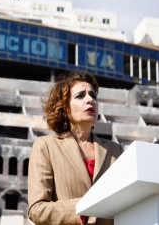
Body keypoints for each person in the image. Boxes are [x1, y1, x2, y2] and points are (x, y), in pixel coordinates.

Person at [27, 71, 123, 225]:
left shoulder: (117, 151)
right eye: (80, 96)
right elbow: (37, 209)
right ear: (64, 107)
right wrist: (85, 208)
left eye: (93, 95)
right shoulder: (46, 146)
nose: (90, 100)